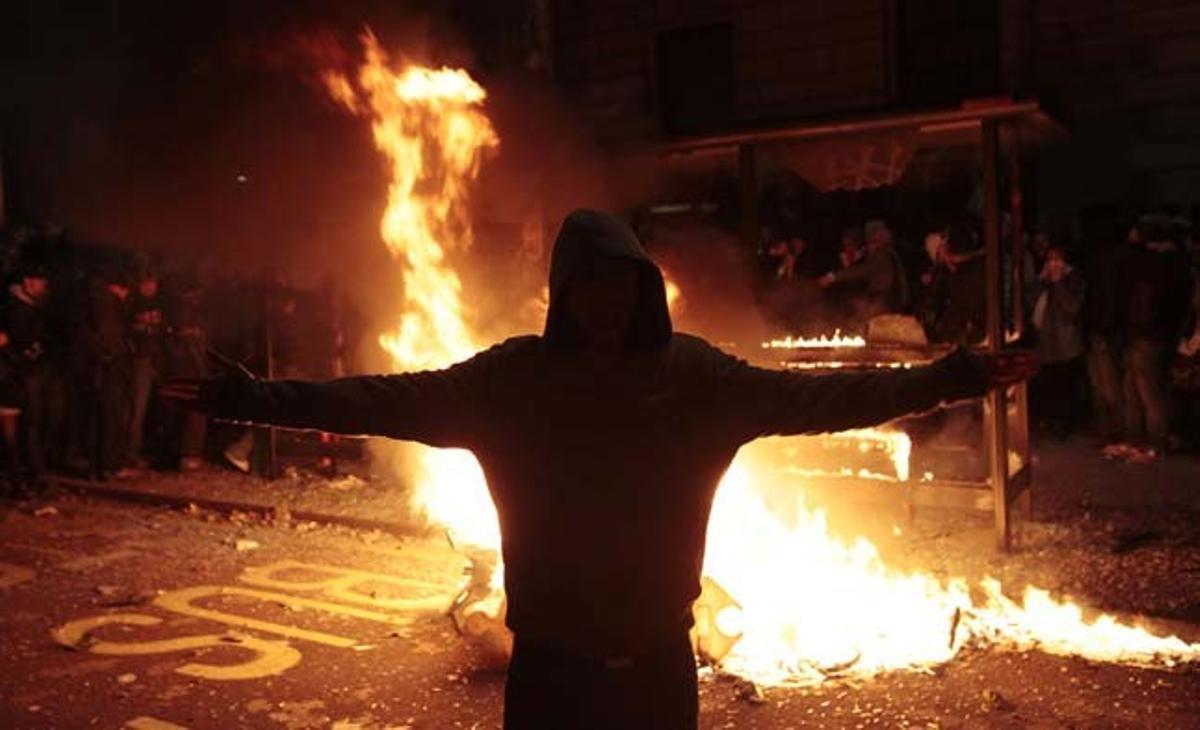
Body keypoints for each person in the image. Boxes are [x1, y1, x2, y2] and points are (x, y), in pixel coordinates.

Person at [163, 209, 1035, 729]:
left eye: (620, 283)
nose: (606, 302)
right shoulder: (513, 381)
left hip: (659, 670)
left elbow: (822, 404)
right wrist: (257, 400)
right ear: (564, 294)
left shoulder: (697, 379)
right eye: (588, 286)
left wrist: (950, 377)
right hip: (551, 675)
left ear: (643, 287)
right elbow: (381, 399)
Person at [1114, 214, 1193, 462]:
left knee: (1147, 391)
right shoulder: (1180, 263)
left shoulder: (1153, 265)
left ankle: (1153, 444)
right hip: (1161, 334)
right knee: (1144, 389)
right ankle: (1143, 441)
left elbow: (1145, 301)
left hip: (1146, 334)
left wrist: (1136, 326)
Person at [1029, 245, 1087, 437]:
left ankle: (1063, 425)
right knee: (1049, 385)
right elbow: (1031, 304)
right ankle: (1051, 422)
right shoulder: (1045, 282)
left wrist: (1059, 282)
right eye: (1050, 259)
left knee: (1064, 385)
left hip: (1065, 343)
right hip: (1046, 343)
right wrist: (1041, 281)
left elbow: (1071, 307)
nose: (1053, 264)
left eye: (1057, 259)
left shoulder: (1074, 279)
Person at [818, 219, 909, 326]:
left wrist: (832, 277)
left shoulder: (881, 255)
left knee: (875, 325)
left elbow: (863, 271)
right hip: (883, 297)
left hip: (883, 297)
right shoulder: (885, 253)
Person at [91, 264, 134, 478]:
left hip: (100, 369)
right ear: (121, 288)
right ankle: (109, 466)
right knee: (111, 416)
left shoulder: (96, 302)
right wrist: (115, 358)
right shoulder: (110, 305)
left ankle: (98, 467)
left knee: (101, 417)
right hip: (110, 370)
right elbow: (110, 338)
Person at [128, 268, 166, 468]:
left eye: (154, 283)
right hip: (140, 362)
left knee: (157, 408)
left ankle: (152, 450)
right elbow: (129, 331)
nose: (151, 287)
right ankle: (131, 453)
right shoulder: (132, 304)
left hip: (155, 361)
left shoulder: (158, 304)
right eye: (147, 283)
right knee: (137, 408)